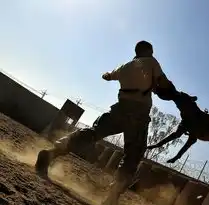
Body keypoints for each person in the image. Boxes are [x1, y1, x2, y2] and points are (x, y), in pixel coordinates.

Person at [35, 40, 176, 205]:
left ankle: (51, 153)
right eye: (151, 52)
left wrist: (109, 75)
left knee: (93, 133)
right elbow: (165, 84)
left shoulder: (124, 67)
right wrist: (174, 93)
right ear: (148, 51)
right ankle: (112, 197)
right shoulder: (151, 62)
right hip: (137, 117)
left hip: (119, 110)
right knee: (133, 155)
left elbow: (108, 76)